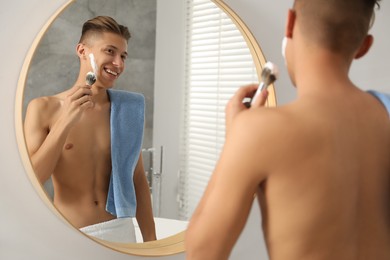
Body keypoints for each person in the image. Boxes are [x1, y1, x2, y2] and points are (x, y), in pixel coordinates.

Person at [185, 0, 390, 259]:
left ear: (290, 23)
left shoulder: (260, 130)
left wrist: (237, 135)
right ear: (364, 46)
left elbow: (203, 251)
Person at [24, 16, 156, 243]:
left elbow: (137, 179)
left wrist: (151, 242)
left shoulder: (126, 111)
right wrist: (66, 120)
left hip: (121, 232)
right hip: (71, 235)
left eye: (123, 55)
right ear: (82, 51)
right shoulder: (44, 108)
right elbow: (32, 180)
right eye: (110, 51)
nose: (119, 63)